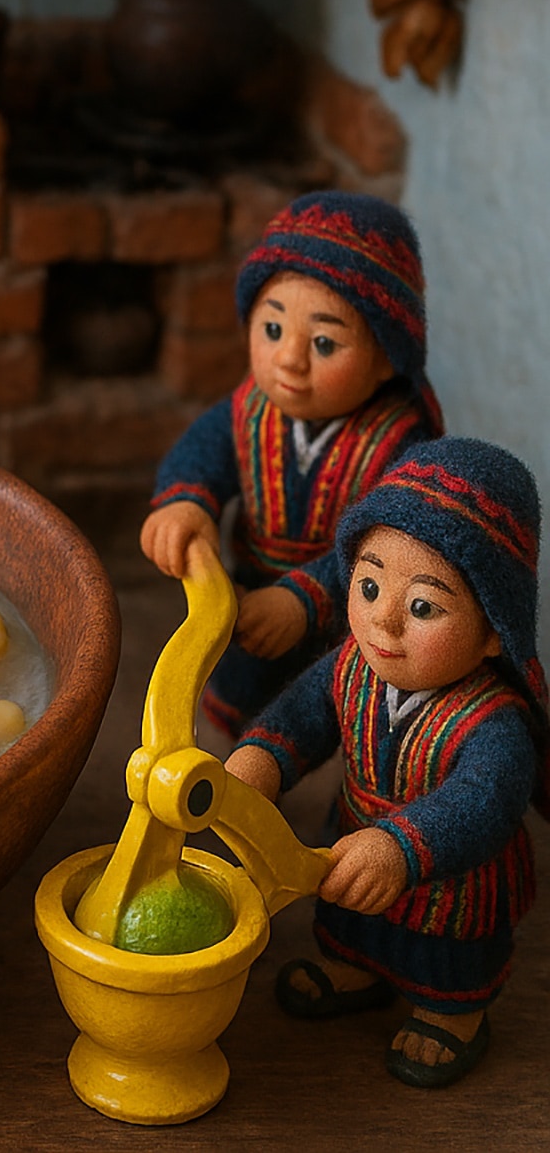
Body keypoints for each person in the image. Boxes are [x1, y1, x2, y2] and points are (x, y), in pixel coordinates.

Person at [227, 437, 543, 1088]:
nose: (383, 622)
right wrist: (261, 758)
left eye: (423, 606)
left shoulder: (493, 723)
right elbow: (301, 716)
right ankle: (356, 968)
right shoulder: (350, 664)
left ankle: (453, 1013)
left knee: (447, 953)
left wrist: (403, 846)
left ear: (493, 631)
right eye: (369, 586)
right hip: (354, 839)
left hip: (447, 880)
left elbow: (484, 801)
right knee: (350, 917)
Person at [141, 191, 441, 736]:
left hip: (348, 610)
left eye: (324, 343)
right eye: (273, 329)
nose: (289, 360)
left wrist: (304, 599)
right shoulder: (250, 411)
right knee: (241, 700)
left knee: (330, 717)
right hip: (245, 589)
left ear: (385, 359)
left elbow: (392, 546)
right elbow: (202, 455)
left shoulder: (399, 444)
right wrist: (186, 505)